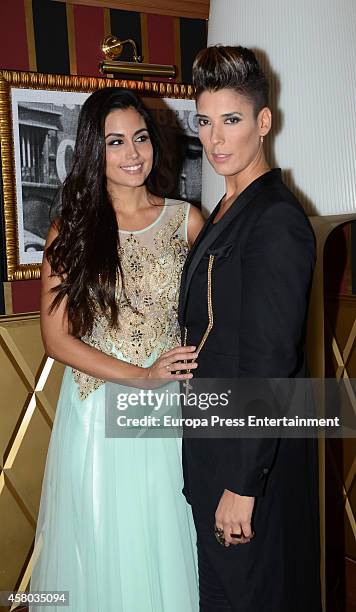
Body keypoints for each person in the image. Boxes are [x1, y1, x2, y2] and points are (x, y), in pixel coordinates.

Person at [30, 87, 205, 611]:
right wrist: (141, 375)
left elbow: (214, 317)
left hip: (171, 408)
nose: (133, 154)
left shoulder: (186, 221)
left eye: (141, 138)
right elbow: (56, 338)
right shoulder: (73, 230)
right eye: (115, 142)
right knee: (107, 545)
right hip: (99, 410)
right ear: (92, 150)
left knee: (167, 537)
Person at [178, 46, 321, 612]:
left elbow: (269, 360)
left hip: (247, 463)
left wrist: (242, 484)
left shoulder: (277, 220)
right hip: (215, 448)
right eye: (205, 122)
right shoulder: (225, 208)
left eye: (231, 120)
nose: (216, 139)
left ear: (264, 122)